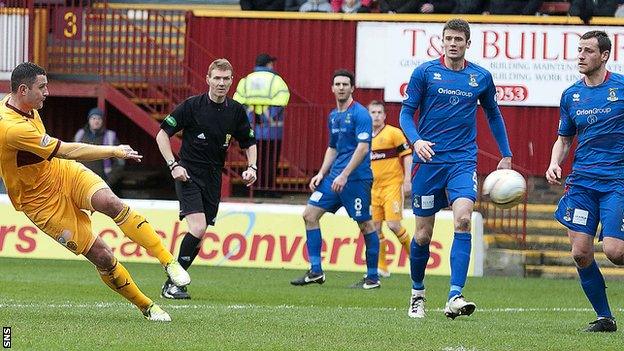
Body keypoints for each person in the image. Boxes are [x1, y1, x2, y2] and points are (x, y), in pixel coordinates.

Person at [0, 62, 190, 321]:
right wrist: (113, 150)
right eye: (42, 87)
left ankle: (169, 262)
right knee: (102, 256)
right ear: (23, 90)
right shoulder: (11, 128)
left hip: (60, 172)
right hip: (40, 202)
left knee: (111, 202)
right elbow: (67, 149)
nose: (47, 92)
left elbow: (62, 157)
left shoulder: (24, 106)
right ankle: (147, 306)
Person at [399, 18, 513, 319]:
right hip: (428, 162)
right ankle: (417, 293)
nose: (452, 43)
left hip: (462, 161)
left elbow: (494, 115)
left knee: (463, 219)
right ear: (442, 41)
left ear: (467, 43)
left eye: (458, 40)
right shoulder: (425, 73)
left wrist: (506, 154)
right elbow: (406, 115)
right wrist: (416, 141)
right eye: (448, 38)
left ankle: (454, 295)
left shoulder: (481, 77)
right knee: (423, 235)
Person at [156, 58, 258, 299]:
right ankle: (174, 283)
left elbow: (249, 141)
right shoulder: (192, 106)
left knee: (199, 238)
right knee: (198, 227)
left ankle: (173, 283)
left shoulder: (235, 111)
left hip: (213, 177)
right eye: (217, 78)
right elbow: (162, 135)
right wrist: (173, 165)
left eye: (226, 79)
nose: (221, 83)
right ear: (208, 79)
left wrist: (252, 167)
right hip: (188, 174)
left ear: (232, 81)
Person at [546, 30, 624, 333]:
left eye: (588, 51)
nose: (580, 56)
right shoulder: (571, 95)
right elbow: (564, 138)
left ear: (604, 56)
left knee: (616, 253)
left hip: (616, 181)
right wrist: (555, 162)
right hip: (581, 184)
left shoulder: (621, 88)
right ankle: (605, 317)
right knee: (580, 253)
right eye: (579, 50)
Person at [290, 69, 380, 289]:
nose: (341, 87)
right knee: (310, 215)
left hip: (356, 179)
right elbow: (333, 147)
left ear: (352, 88)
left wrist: (344, 174)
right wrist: (321, 173)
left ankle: (372, 277)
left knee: (366, 224)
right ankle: (316, 271)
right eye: (337, 84)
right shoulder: (333, 115)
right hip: (334, 178)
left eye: (345, 84)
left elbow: (362, 148)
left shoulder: (360, 114)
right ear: (332, 88)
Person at [365, 100, 413, 278]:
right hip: (373, 188)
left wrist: (408, 179)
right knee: (375, 228)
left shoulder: (394, 133)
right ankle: (382, 267)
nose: (376, 115)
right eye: (373, 112)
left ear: (384, 115)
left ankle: (414, 258)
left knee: (393, 225)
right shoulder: (364, 137)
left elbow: (407, 156)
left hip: (392, 185)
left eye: (379, 112)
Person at [233, 53, 290, 195]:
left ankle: (254, 189)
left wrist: (251, 115)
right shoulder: (276, 80)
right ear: (269, 64)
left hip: (251, 128)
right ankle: (269, 189)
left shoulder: (245, 81)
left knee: (253, 160)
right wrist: (267, 116)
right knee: (271, 160)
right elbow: (283, 98)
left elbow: (237, 101)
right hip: (272, 130)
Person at [73, 107, 125, 190]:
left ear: (102, 121)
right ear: (89, 120)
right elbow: (71, 157)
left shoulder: (110, 137)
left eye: (99, 119)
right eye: (93, 118)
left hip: (101, 182)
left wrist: (109, 182)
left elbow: (120, 163)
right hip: (80, 181)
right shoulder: (80, 135)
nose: (96, 121)